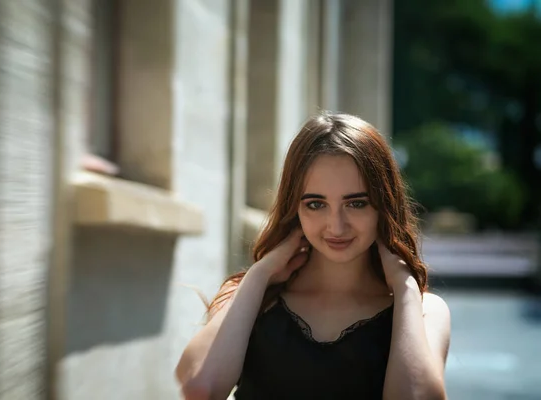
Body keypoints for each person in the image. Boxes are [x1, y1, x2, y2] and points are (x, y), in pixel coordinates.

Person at [175, 112, 451, 400]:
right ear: (295, 208)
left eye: (356, 203)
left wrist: (404, 285)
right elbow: (200, 388)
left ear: (384, 206)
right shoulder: (253, 296)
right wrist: (259, 274)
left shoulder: (424, 310)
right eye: (316, 204)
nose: (337, 226)